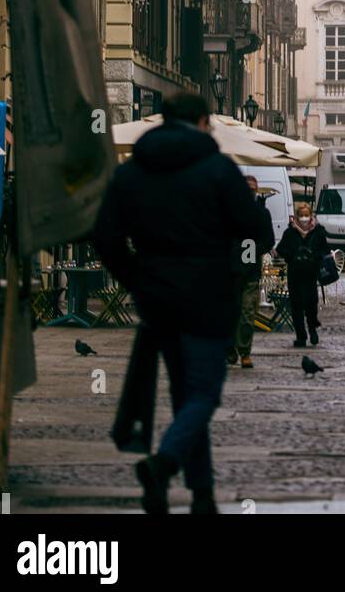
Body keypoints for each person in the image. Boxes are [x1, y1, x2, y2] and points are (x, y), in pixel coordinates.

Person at [93, 92, 273, 515]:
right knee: (204, 394)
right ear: (203, 122)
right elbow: (249, 226)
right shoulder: (217, 169)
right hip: (207, 296)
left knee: (184, 395)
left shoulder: (132, 172)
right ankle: (163, 464)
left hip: (157, 300)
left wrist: (136, 279)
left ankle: (203, 493)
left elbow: (105, 238)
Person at [228, 180, 274, 369]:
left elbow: (269, 239)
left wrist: (254, 250)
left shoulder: (261, 214)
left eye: (252, 190)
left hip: (250, 270)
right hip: (230, 270)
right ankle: (230, 348)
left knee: (247, 312)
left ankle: (245, 351)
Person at [276, 202, 329, 348]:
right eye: (301, 215)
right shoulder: (290, 232)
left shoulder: (318, 232)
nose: (304, 218)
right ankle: (301, 336)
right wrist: (292, 255)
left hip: (311, 273)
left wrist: (314, 256)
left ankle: (312, 329)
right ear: (297, 217)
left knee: (311, 304)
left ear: (311, 215)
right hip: (295, 273)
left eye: (307, 215)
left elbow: (325, 250)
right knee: (296, 305)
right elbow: (281, 249)